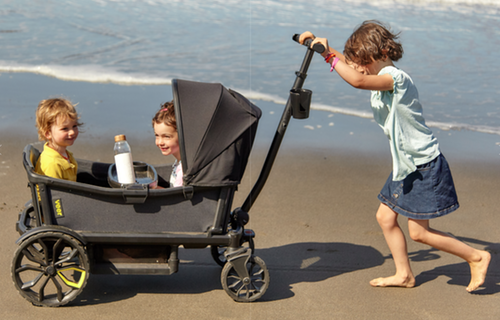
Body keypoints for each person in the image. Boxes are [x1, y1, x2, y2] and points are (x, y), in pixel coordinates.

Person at [299, 20, 490, 292]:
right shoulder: (377, 74)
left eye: (363, 61)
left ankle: (477, 257)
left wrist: (327, 54)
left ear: (383, 53)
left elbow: (358, 80)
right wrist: (324, 47)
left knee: (419, 233)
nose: (358, 66)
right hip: (405, 165)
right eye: (356, 61)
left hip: (423, 165)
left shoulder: (396, 79)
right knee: (385, 218)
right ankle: (404, 275)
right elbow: (356, 70)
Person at [35, 98, 82, 180]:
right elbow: (55, 192)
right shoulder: (52, 164)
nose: (72, 132)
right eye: (65, 129)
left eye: (74, 126)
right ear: (48, 133)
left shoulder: (64, 154)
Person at [152, 101, 183, 187]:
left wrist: (155, 189)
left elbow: (177, 197)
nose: (160, 142)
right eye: (157, 135)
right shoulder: (180, 162)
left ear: (183, 136)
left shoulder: (183, 171)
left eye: (167, 136)